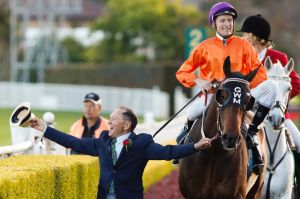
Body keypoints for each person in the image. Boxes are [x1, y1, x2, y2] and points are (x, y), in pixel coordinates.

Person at [174, 2, 277, 175]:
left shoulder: (244, 45)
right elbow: (182, 72)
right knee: (192, 112)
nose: (227, 24)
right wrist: (199, 80)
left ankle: (252, 133)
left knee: (271, 87)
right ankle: (183, 138)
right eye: (223, 20)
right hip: (213, 95)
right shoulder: (204, 47)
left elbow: (259, 74)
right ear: (214, 23)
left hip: (238, 95)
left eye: (230, 20)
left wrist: (242, 86)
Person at [30, 106, 212, 199]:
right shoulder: (103, 141)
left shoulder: (142, 143)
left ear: (126, 125)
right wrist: (44, 128)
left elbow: (168, 152)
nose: (108, 123)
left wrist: (194, 146)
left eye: (113, 120)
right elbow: (74, 142)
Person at [240, 13, 300, 192]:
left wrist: (278, 103)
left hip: (277, 114)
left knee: (299, 142)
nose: (242, 38)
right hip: (250, 116)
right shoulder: (242, 58)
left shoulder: (279, 58)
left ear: (256, 38)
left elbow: (296, 84)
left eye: (245, 34)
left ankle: (296, 186)